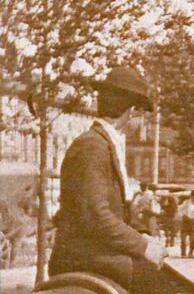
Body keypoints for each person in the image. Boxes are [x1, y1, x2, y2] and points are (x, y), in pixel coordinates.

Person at [48, 66, 169, 293]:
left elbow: (107, 213)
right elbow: (96, 215)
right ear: (131, 111)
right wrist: (143, 246)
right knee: (172, 287)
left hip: (96, 253)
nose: (143, 124)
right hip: (86, 257)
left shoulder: (101, 143)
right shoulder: (93, 146)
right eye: (143, 116)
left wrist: (142, 237)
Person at [178, 191, 194, 257]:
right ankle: (183, 253)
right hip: (185, 221)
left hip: (193, 222)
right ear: (191, 196)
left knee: (192, 239)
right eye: (193, 196)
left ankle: (190, 252)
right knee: (183, 239)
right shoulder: (186, 202)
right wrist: (183, 215)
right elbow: (180, 210)